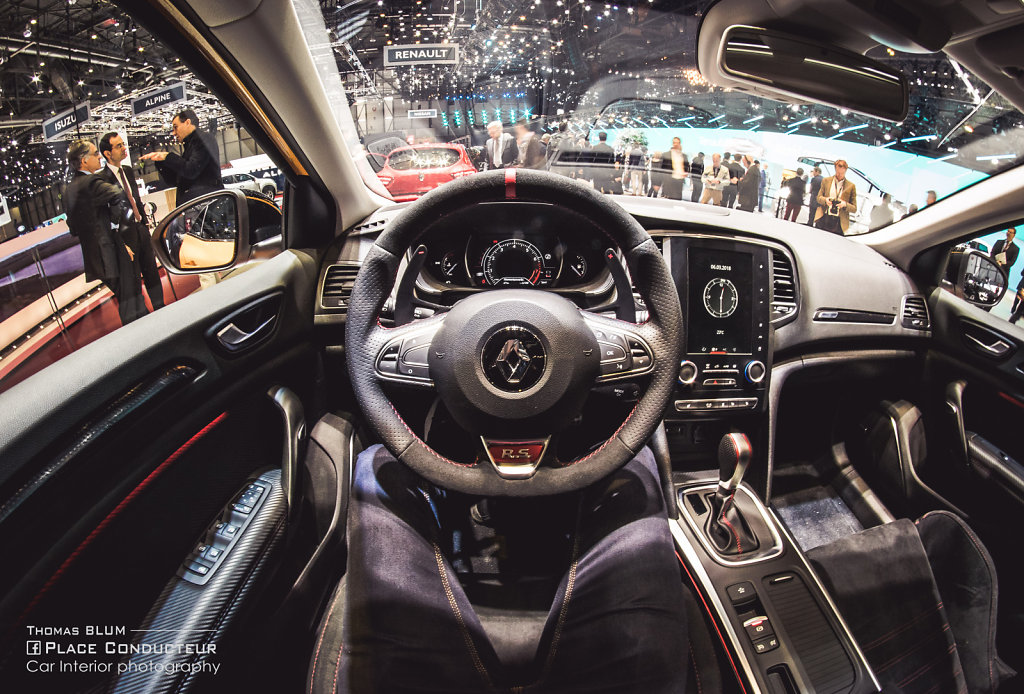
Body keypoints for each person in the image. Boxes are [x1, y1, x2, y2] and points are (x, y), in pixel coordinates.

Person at [63, 139, 148, 326]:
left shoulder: (68, 190)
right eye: (95, 154)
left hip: (94, 259)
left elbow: (73, 228)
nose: (99, 157)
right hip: (112, 252)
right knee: (132, 300)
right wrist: (115, 224)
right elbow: (119, 195)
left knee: (126, 299)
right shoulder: (92, 181)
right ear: (83, 160)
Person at [98, 132, 166, 312]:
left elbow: (134, 199)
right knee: (134, 279)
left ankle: (161, 308)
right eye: (118, 146)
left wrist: (144, 223)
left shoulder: (127, 170)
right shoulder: (102, 179)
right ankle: (143, 316)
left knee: (152, 272)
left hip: (141, 229)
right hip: (125, 237)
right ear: (107, 153)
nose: (123, 148)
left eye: (123, 144)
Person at [140, 108, 223, 206]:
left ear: (188, 122)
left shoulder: (205, 139)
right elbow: (175, 181)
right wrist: (161, 162)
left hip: (206, 204)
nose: (173, 133)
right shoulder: (190, 147)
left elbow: (191, 170)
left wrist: (168, 157)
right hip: (197, 205)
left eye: (176, 127)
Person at [814, 159, 857, 234]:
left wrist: (845, 204)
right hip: (823, 217)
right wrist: (825, 200)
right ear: (835, 169)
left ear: (845, 170)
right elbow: (818, 198)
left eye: (841, 173)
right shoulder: (826, 181)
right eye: (837, 172)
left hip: (839, 222)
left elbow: (854, 208)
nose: (839, 175)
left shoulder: (851, 186)